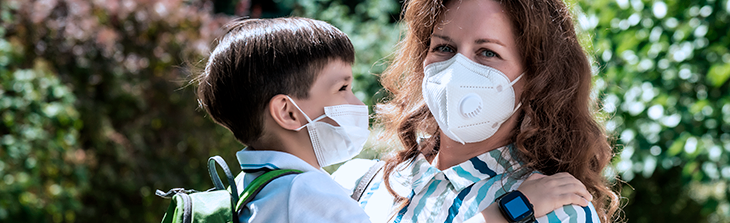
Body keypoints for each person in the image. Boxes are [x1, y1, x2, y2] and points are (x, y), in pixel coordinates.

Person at [332, 0, 620, 222]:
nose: (457, 70)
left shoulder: (557, 211)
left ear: (536, 78)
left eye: (488, 53)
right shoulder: (357, 183)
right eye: (444, 48)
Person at [195, 17, 372, 222]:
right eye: (342, 88)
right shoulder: (310, 195)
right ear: (287, 112)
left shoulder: (246, 187)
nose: (358, 105)